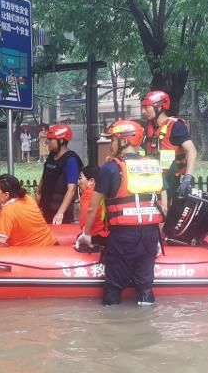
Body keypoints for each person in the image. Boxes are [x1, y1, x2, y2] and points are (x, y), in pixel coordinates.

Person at [77, 119, 163, 306]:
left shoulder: (110, 169)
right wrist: (159, 237)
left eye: (113, 140)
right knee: (145, 287)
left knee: (114, 287)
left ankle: (112, 326)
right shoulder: (154, 166)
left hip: (123, 237)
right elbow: (163, 205)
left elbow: (92, 207)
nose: (110, 145)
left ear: (124, 141)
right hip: (150, 235)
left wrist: (86, 234)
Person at [141, 90, 197, 202]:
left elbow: (192, 151)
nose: (143, 111)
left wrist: (188, 177)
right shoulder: (148, 128)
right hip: (154, 181)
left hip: (174, 181)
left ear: (160, 107)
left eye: (147, 107)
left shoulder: (176, 126)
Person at [36, 124, 83, 224]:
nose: (47, 142)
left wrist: (60, 213)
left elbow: (72, 189)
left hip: (60, 213)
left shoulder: (70, 160)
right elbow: (45, 175)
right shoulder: (52, 155)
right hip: (46, 208)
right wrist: (38, 193)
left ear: (61, 141)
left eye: (51, 139)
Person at [78, 165, 109, 246]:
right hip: (106, 235)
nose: (78, 182)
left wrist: (85, 234)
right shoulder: (104, 192)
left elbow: (85, 215)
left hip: (94, 236)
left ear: (91, 181)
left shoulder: (88, 193)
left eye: (80, 178)